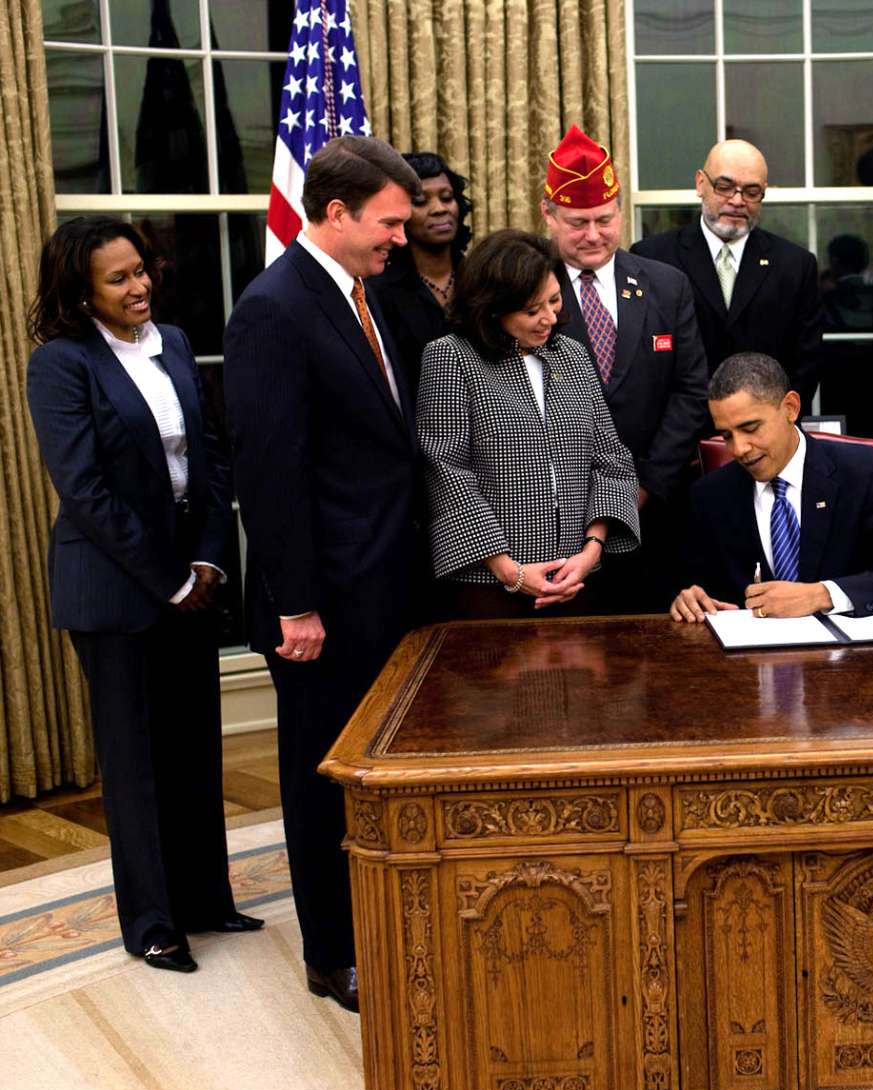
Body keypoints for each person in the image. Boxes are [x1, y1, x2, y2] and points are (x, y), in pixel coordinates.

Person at [24, 216, 260, 975]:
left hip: (193, 578)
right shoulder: (60, 364)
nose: (141, 286)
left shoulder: (178, 343)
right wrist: (169, 577)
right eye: (119, 278)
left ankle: (207, 899)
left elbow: (213, 453)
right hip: (117, 591)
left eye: (142, 270)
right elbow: (85, 489)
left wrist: (211, 560)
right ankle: (154, 921)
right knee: (135, 760)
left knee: (195, 746)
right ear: (80, 292)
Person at [222, 136, 423, 1013]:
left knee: (374, 766)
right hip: (324, 604)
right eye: (389, 223)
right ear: (335, 213)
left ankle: (378, 920)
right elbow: (269, 469)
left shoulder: (361, 296)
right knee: (321, 772)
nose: (400, 240)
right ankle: (332, 953)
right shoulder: (275, 308)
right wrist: (297, 604)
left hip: (386, 582)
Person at [417, 229, 640, 617]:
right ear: (491, 307)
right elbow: (446, 472)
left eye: (554, 301)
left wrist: (591, 552)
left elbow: (611, 461)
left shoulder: (571, 355)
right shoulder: (451, 357)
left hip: (578, 580)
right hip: (488, 588)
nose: (549, 318)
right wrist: (510, 572)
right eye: (532, 310)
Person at [541, 124, 710, 612]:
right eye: (577, 222)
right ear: (548, 216)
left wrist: (645, 485)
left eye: (604, 219)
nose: (593, 235)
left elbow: (690, 391)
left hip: (657, 510)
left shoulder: (666, 285)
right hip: (558, 515)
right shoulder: (527, 290)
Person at [671, 352, 873, 622]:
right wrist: (689, 598)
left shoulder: (863, 473)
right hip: (750, 662)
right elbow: (696, 587)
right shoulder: (710, 495)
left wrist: (823, 595)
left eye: (751, 428)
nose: (739, 449)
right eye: (727, 435)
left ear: (790, 408)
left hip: (851, 660)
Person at [632, 138, 825, 407]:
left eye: (752, 191)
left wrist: (775, 424)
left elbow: (806, 361)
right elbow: (642, 362)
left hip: (768, 432)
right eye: (724, 187)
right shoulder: (652, 258)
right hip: (681, 436)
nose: (737, 201)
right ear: (701, 183)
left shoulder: (795, 265)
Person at [367, 151, 474, 397]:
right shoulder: (377, 292)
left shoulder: (483, 279)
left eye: (447, 198)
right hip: (414, 427)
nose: (439, 209)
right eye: (421, 202)